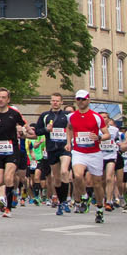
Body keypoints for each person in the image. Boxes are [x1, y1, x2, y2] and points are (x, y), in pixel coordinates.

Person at [0, 89, 26, 216]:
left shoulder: (14, 114)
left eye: (3, 97)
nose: (1, 99)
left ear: (8, 100)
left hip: (12, 149)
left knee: (8, 177)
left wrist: (22, 130)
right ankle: (4, 198)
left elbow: (25, 127)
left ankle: (8, 207)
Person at [68, 89, 107, 223]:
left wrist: (99, 137)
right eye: (78, 99)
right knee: (78, 175)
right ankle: (84, 196)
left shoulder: (96, 117)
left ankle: (100, 209)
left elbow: (107, 134)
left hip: (94, 153)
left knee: (97, 184)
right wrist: (68, 142)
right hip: (79, 151)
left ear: (88, 100)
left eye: (83, 99)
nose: (81, 102)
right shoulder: (71, 116)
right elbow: (69, 128)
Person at [36, 93, 74, 215]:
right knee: (56, 178)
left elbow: (74, 128)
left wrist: (69, 142)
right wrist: (46, 129)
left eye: (57, 101)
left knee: (64, 172)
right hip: (52, 149)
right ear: (50, 102)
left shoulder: (67, 116)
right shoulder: (45, 115)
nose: (55, 103)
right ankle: (61, 202)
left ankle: (66, 200)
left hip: (65, 148)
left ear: (62, 102)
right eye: (53, 100)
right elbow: (37, 131)